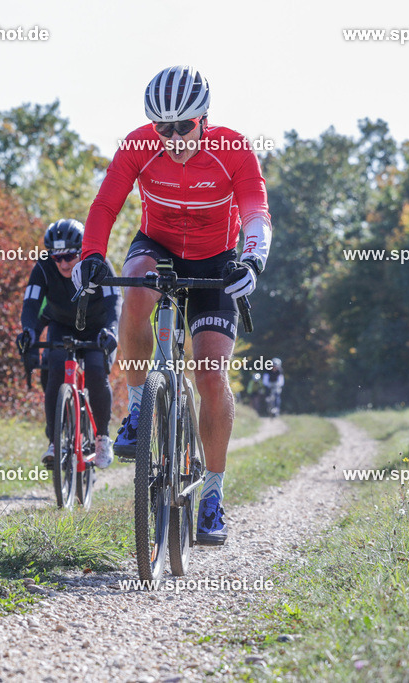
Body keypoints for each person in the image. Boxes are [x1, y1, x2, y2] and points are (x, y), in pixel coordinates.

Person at [72, 66, 272, 545]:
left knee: (208, 372)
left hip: (217, 261)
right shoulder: (138, 145)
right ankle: (140, 408)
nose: (175, 137)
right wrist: (91, 256)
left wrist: (252, 259)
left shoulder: (232, 149)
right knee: (137, 285)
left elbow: (255, 209)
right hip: (157, 247)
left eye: (184, 126)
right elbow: (104, 207)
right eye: (164, 127)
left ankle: (213, 498)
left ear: (204, 119)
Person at [18, 219, 120, 470]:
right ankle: (55, 440)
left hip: (97, 329)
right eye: (57, 257)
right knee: (54, 371)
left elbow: (114, 302)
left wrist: (112, 330)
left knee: (96, 372)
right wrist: (29, 331)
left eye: (70, 256)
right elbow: (31, 303)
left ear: (82, 251)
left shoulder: (99, 264)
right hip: (61, 325)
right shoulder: (43, 268)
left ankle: (102, 438)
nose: (63, 263)